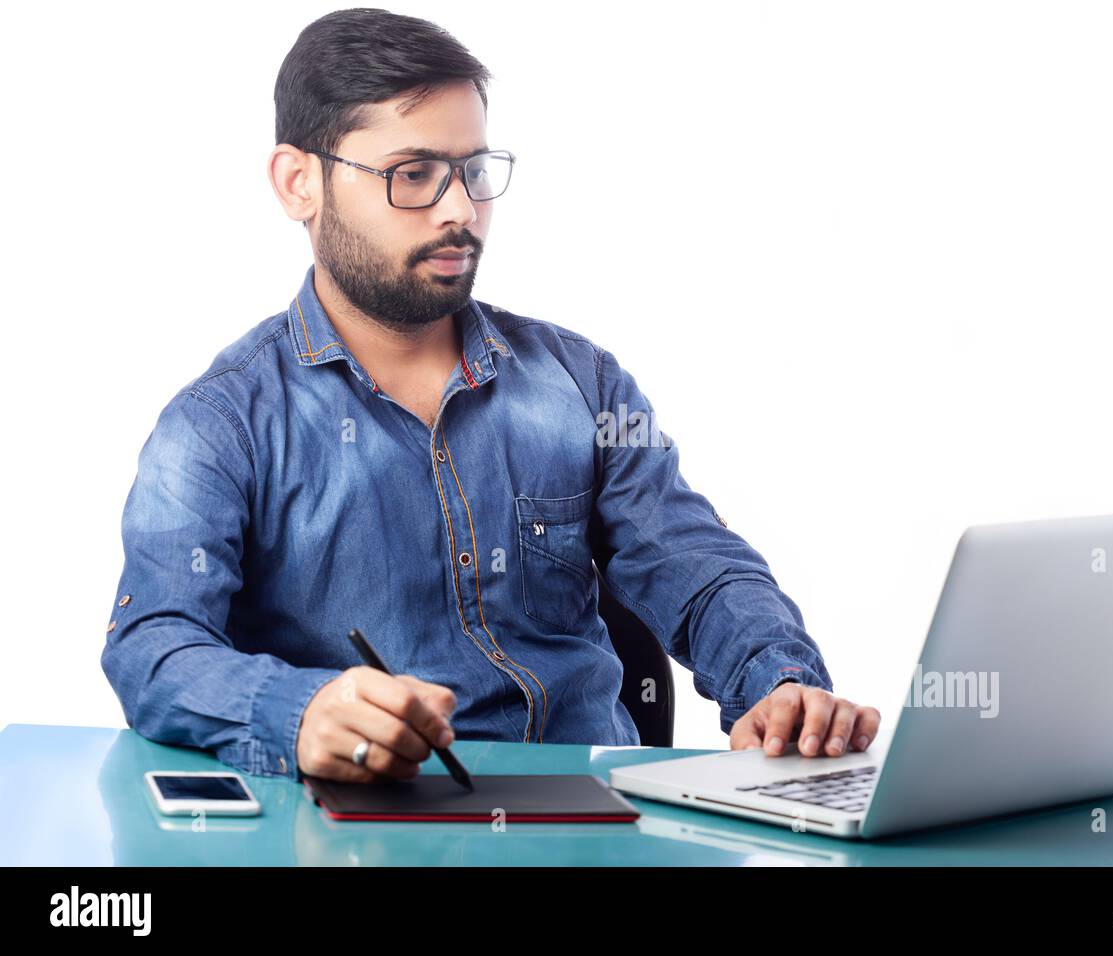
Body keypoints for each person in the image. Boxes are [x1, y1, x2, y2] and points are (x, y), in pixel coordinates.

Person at [100, 8, 881, 784]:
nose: (459, 212)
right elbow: (155, 642)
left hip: (592, 825)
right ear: (299, 182)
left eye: (473, 171)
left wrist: (780, 685)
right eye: (413, 175)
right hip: (368, 829)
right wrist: (297, 711)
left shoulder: (582, 382)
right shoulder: (220, 425)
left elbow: (695, 565)